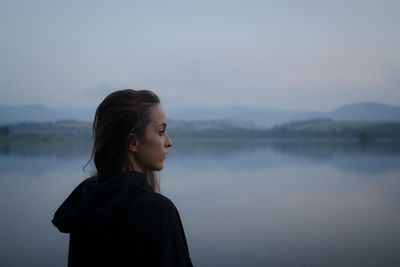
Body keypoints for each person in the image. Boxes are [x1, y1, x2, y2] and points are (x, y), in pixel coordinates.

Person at [52, 89, 194, 267]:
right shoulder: (156, 211)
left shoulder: (87, 203)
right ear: (133, 142)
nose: (169, 141)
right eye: (161, 131)